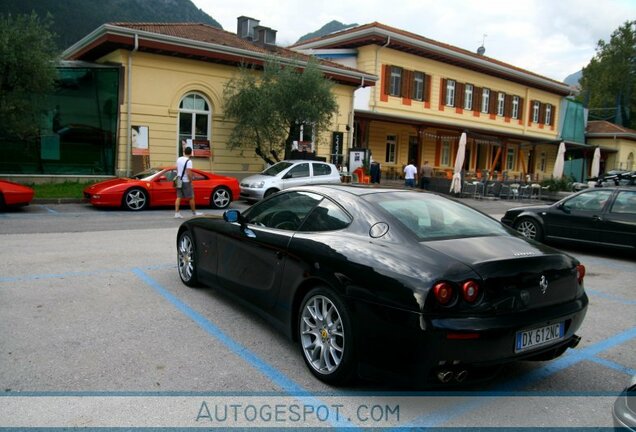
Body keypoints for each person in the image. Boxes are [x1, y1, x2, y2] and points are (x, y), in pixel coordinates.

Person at [174, 146, 203, 218]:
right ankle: (194, 213)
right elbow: (188, 172)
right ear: (191, 153)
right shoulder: (189, 161)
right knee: (191, 197)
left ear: (184, 152)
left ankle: (177, 213)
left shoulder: (179, 159)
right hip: (186, 181)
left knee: (178, 197)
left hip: (178, 180)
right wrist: (190, 181)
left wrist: (179, 176)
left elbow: (177, 170)